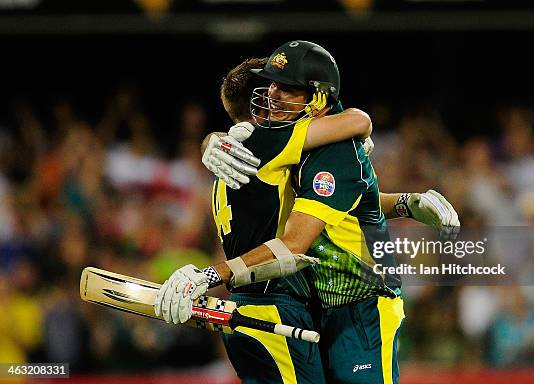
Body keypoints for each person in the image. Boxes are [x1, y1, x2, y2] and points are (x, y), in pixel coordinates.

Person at [157, 41, 460, 383]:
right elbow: (358, 124)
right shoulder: (284, 141)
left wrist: (208, 276)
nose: (272, 94)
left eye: (285, 87)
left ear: (317, 99)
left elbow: (301, 235)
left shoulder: (320, 148)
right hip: (306, 301)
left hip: (362, 301)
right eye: (269, 84)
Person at [158, 56, 375, 383]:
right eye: (279, 88)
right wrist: (347, 144)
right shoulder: (269, 142)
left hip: (245, 305)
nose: (282, 94)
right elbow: (357, 121)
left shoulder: (227, 156)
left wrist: (209, 138)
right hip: (275, 304)